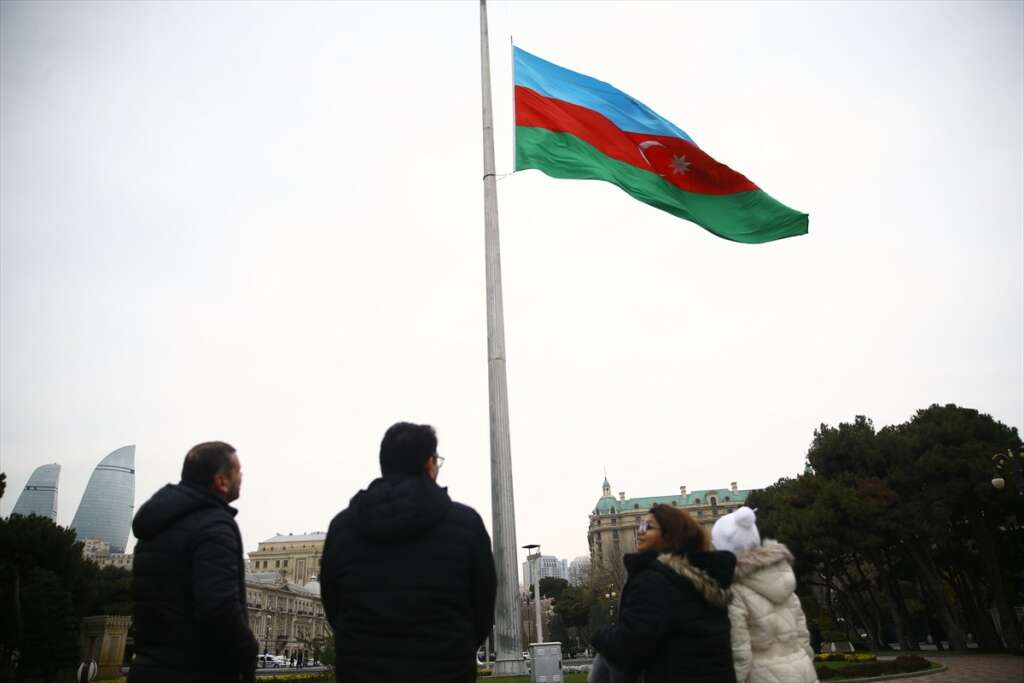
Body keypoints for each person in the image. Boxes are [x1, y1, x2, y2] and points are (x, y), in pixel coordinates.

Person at [320, 422, 497, 683]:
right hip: (445, 671)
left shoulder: (342, 528)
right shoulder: (467, 525)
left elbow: (333, 604)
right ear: (429, 464)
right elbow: (483, 609)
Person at [129, 441, 257, 683]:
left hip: (148, 667)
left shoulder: (157, 523)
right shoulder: (214, 525)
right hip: (199, 670)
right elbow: (219, 608)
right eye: (237, 471)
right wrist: (247, 652)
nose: (242, 476)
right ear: (221, 481)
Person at [591, 504, 737, 683]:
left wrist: (599, 634)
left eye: (648, 527)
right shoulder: (702, 577)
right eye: (640, 526)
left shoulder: (656, 580)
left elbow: (628, 649)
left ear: (670, 536)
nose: (640, 532)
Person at [712, 507, 817, 683]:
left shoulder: (735, 590)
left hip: (761, 675)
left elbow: (740, 653)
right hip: (802, 669)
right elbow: (803, 637)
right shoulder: (786, 583)